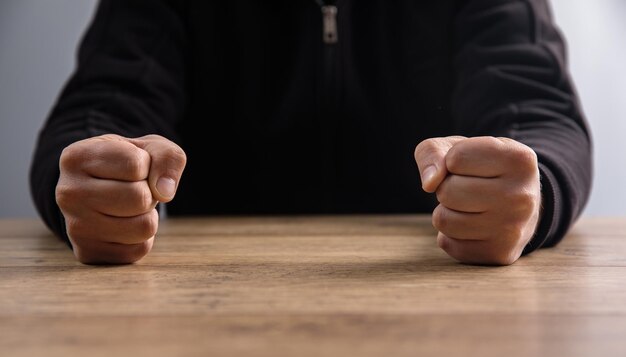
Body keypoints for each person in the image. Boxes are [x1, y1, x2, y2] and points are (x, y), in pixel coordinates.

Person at [30, 0, 592, 265]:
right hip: (209, 321)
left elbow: (538, 113)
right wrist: (92, 182)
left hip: (442, 299)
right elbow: (97, 113)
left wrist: (534, 190)